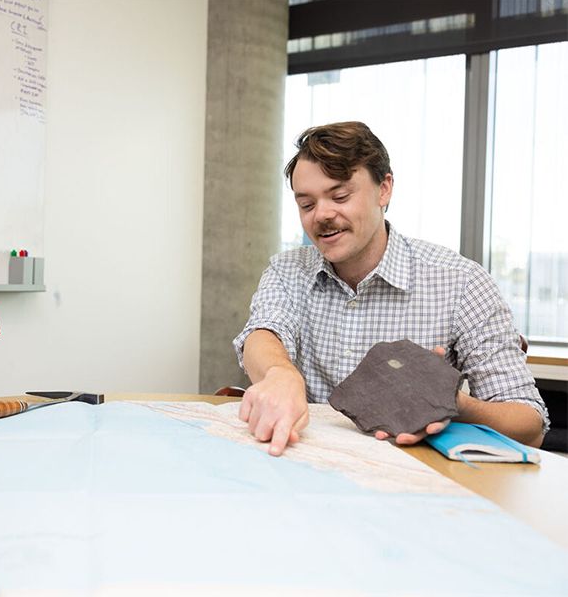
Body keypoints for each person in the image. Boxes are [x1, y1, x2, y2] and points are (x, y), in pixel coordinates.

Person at [233, 121, 548, 457]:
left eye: (339, 195)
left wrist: (454, 404)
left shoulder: (460, 282)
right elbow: (262, 333)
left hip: (415, 481)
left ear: (384, 189)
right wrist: (280, 374)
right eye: (306, 205)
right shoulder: (286, 271)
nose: (322, 214)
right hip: (306, 467)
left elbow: (531, 425)